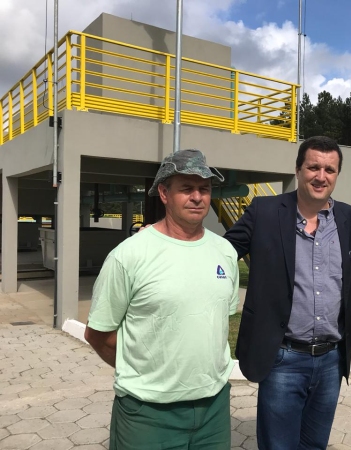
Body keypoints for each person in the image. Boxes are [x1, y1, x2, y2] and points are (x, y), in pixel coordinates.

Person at [85, 149, 239, 450]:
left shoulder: (225, 252)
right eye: (187, 188)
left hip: (214, 410)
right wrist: (145, 373)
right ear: (165, 194)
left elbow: (220, 323)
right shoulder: (129, 255)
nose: (197, 197)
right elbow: (98, 334)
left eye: (204, 188)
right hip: (148, 414)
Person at [224, 136, 351, 449]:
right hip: (283, 358)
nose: (321, 176)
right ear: (298, 170)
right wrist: (169, 235)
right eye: (313, 167)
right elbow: (220, 252)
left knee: (315, 445)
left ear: (337, 175)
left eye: (329, 169)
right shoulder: (264, 211)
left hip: (331, 360)